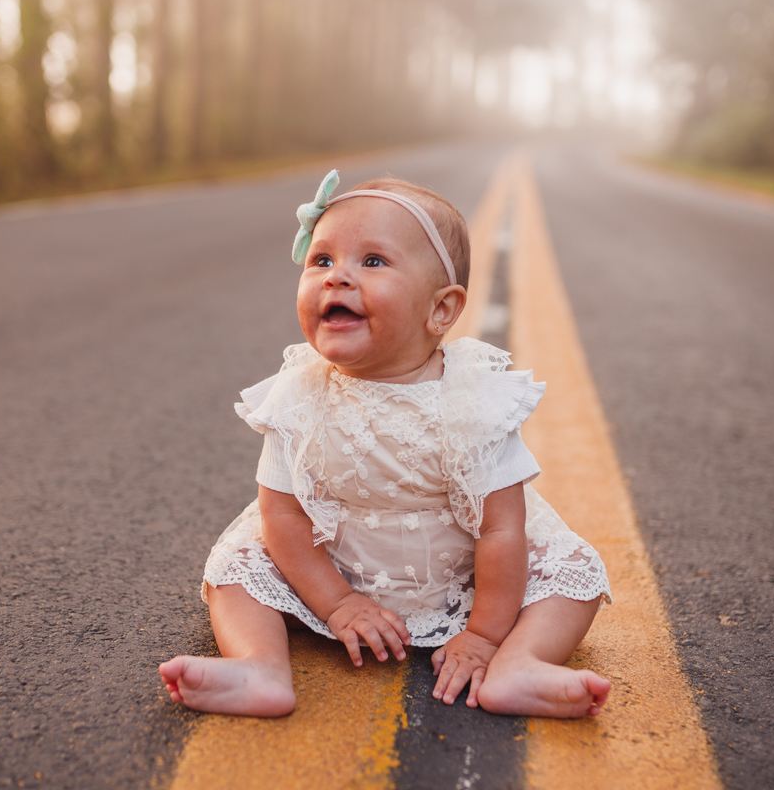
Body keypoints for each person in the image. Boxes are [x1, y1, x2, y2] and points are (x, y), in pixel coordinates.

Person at [159, 170, 612, 718]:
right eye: (321, 260)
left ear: (441, 309)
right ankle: (260, 667)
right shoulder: (299, 393)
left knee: (574, 574)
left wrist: (485, 635)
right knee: (236, 564)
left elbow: (500, 527)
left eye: (372, 262)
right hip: (329, 567)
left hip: (468, 574)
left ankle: (517, 662)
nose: (336, 277)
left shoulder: (473, 399)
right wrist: (338, 603)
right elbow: (282, 515)